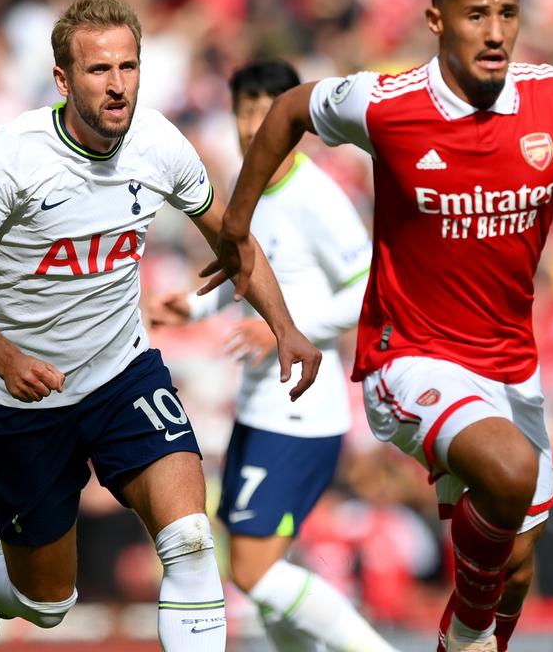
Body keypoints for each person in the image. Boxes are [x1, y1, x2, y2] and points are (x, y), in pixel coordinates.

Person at [200, 0, 553, 652]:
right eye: (476, 14)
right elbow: (289, 109)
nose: (496, 30)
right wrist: (236, 223)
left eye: (507, 13)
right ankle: (465, 636)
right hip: (408, 353)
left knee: (516, 566)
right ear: (436, 20)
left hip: (512, 364)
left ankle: (471, 638)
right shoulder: (388, 104)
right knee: (510, 469)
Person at [0, 0, 321, 651]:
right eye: (99, 71)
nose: (117, 86)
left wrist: (286, 325)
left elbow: (233, 239)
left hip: (121, 376)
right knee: (45, 604)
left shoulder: (159, 142)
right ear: (63, 79)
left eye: (128, 68)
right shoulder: (12, 154)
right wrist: (6, 359)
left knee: (191, 541)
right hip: (30, 400)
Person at [150, 58, 395, 652]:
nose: (254, 123)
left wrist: (286, 330)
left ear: (296, 119)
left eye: (268, 109)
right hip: (261, 406)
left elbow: (371, 288)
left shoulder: (318, 196)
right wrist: (195, 306)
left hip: (301, 410)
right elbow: (247, 275)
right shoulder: (248, 187)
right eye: (244, 109)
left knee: (252, 570)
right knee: (261, 571)